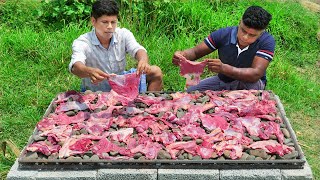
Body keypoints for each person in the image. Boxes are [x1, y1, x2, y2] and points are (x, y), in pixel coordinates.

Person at [172, 6, 275, 92]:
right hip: (224, 80)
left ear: (261, 33)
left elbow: (255, 74)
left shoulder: (266, 41)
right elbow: (195, 52)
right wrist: (183, 55)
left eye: (252, 35)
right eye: (243, 31)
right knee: (189, 93)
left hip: (251, 84)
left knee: (245, 107)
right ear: (240, 22)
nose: (245, 37)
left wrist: (223, 68)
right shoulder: (223, 34)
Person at [69, 0, 163, 92]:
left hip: (121, 84)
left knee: (155, 71)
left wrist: (143, 60)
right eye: (105, 22)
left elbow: (138, 49)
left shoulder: (123, 34)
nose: (110, 26)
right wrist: (89, 72)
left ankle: (150, 104)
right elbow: (75, 66)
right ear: (93, 21)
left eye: (113, 22)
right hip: (96, 91)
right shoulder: (83, 42)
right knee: (90, 95)